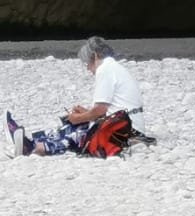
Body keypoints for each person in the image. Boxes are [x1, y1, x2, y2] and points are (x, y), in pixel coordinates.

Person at [4, 36, 145, 158]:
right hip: (130, 125)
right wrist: (85, 113)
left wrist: (78, 117)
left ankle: (34, 147)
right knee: (77, 124)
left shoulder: (105, 70)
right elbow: (111, 110)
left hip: (122, 130)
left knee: (76, 130)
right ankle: (29, 142)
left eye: (87, 63)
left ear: (95, 56)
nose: (88, 69)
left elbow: (100, 110)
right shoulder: (115, 68)